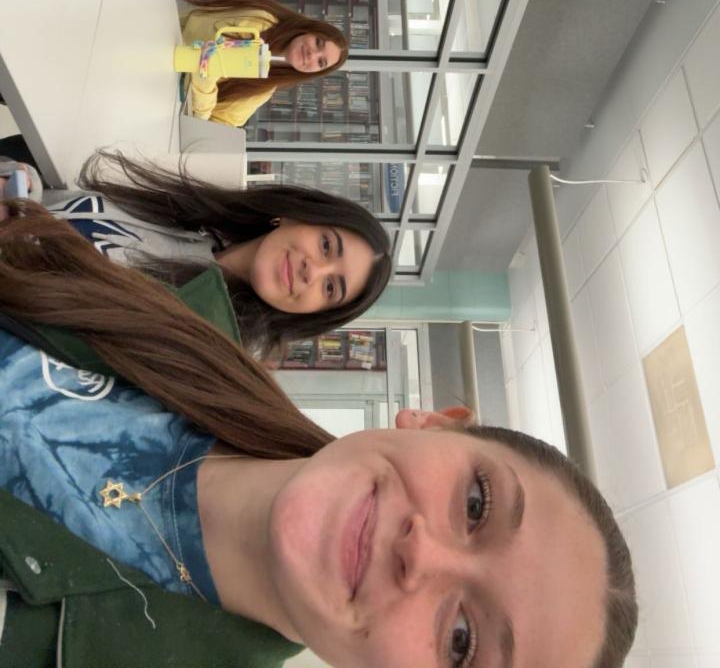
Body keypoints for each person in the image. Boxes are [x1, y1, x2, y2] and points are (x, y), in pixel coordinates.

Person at [0, 204, 638, 668]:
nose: (422, 556)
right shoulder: (180, 321)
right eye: (476, 503)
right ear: (433, 421)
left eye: (461, 643)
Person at [0, 147, 391, 355]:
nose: (313, 271)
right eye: (326, 245)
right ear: (294, 215)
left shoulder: (202, 338)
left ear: (314, 316)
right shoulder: (193, 217)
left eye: (330, 288)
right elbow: (60, 204)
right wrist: (19, 182)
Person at [180, 0, 349, 126]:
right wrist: (205, 79)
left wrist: (205, 78)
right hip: (170, 44)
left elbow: (215, 125)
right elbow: (199, 51)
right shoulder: (259, 21)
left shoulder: (263, 89)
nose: (312, 54)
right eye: (318, 42)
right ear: (308, 30)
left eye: (321, 62)